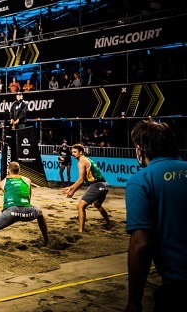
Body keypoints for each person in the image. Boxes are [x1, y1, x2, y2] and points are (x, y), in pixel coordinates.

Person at [125, 119, 187, 312]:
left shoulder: (142, 180)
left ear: (140, 149)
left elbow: (141, 243)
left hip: (179, 286)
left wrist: (134, 301)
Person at [61, 143, 112, 233]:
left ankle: (81, 230)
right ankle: (109, 225)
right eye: (72, 152)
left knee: (80, 206)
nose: (73, 154)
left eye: (75, 152)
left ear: (81, 152)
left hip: (97, 185)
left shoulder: (82, 161)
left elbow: (81, 181)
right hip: (105, 185)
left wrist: (72, 191)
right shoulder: (86, 159)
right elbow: (80, 179)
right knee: (97, 205)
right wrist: (71, 187)